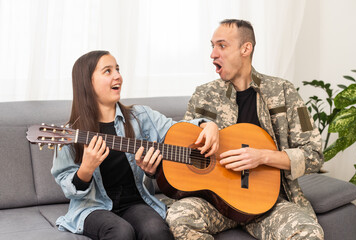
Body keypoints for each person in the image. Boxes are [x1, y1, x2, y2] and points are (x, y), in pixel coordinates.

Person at [166, 19, 325, 240]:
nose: (213, 54)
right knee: (180, 216)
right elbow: (184, 153)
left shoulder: (283, 91)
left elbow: (314, 156)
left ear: (245, 49)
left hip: (269, 205)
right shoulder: (203, 96)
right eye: (212, 46)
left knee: (308, 233)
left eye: (221, 45)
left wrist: (262, 157)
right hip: (216, 205)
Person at [51, 50, 219, 240]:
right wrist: (86, 169)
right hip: (92, 208)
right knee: (121, 232)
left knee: (156, 231)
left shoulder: (141, 116)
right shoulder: (70, 134)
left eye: (118, 69)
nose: (118, 76)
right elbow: (66, 184)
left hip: (135, 203)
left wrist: (207, 125)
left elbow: (177, 130)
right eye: (107, 71)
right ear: (87, 82)